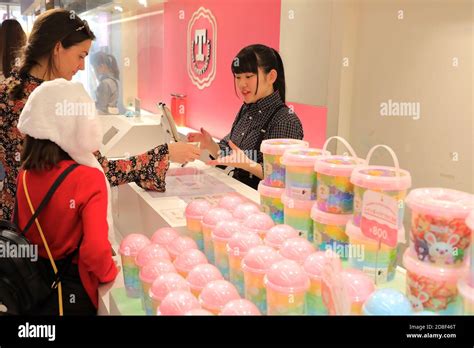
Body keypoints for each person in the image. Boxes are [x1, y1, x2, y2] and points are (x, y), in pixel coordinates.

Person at [0, 8, 200, 221]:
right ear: (58, 47)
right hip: (47, 225)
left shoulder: (8, 88)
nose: (82, 66)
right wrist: (165, 154)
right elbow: (101, 170)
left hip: (12, 216)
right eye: (80, 55)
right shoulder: (56, 100)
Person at [16, 78, 118, 315]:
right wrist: (111, 274)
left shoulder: (26, 174)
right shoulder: (88, 179)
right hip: (72, 290)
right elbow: (95, 251)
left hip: (33, 285)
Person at [188, 44, 304, 189]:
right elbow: (231, 154)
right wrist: (210, 144)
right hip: (239, 196)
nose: (242, 84)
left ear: (271, 76)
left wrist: (248, 164)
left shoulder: (285, 120)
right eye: (238, 77)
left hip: (265, 205)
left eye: (249, 76)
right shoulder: (247, 109)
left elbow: (281, 178)